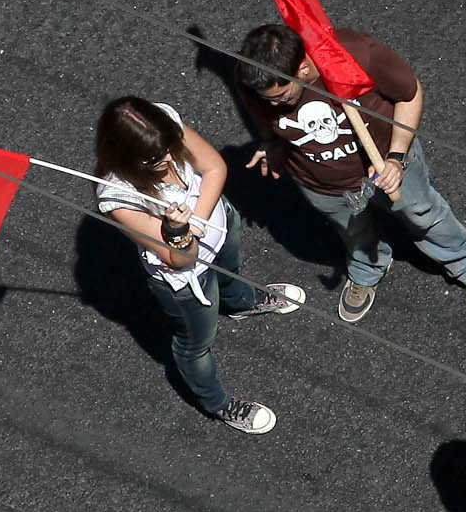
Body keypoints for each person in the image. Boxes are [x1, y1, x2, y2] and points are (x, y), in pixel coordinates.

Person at [227, 19, 466, 321]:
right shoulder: (252, 80)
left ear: (303, 69)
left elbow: (410, 94)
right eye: (267, 99)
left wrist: (396, 157)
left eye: (280, 96)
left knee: (424, 215)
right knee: (355, 232)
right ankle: (368, 266)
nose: (273, 104)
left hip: (388, 164)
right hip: (321, 183)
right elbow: (257, 110)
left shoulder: (357, 54)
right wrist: (269, 141)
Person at [92, 95, 306, 433]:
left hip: (220, 225)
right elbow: (179, 258)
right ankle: (217, 403)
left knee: (231, 273)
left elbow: (214, 166)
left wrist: (197, 223)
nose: (166, 158)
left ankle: (241, 302)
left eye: (168, 147)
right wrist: (178, 233)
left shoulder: (163, 123)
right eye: (153, 157)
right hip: (185, 278)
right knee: (194, 344)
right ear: (127, 157)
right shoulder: (117, 196)